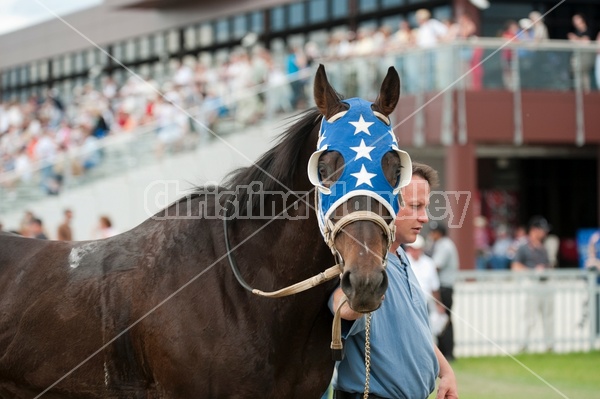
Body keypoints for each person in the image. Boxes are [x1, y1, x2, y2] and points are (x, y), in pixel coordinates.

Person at [329, 162, 458, 399]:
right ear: (386, 204)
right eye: (416, 206)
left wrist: (446, 371)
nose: (425, 218)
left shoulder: (402, 256)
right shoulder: (360, 263)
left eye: (425, 207)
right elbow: (340, 306)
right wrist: (358, 300)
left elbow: (415, 331)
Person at [511, 215, 554, 352]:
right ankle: (524, 345)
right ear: (534, 230)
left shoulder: (543, 248)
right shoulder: (523, 247)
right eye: (542, 229)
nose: (544, 233)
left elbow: (549, 264)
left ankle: (549, 345)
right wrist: (532, 271)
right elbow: (516, 266)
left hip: (545, 283)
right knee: (529, 316)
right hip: (530, 283)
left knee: (548, 315)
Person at [405, 234, 448, 337]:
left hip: (425, 304)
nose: (415, 252)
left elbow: (434, 287)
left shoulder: (429, 263)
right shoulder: (404, 261)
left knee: (428, 333)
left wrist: (438, 304)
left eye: (418, 249)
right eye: (413, 249)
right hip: (407, 303)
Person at [428, 221, 459, 362]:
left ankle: (448, 353)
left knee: (444, 320)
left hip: (444, 287)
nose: (431, 235)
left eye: (433, 232)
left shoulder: (444, 245)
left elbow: (435, 266)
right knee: (442, 319)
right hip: (444, 287)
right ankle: (444, 352)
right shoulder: (442, 244)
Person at [567, 13, 595, 92]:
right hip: (578, 55)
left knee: (584, 74)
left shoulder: (587, 30)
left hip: (586, 56)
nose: (575, 22)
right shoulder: (577, 31)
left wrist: (575, 38)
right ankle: (579, 92)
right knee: (577, 74)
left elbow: (586, 42)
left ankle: (586, 93)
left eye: (577, 19)